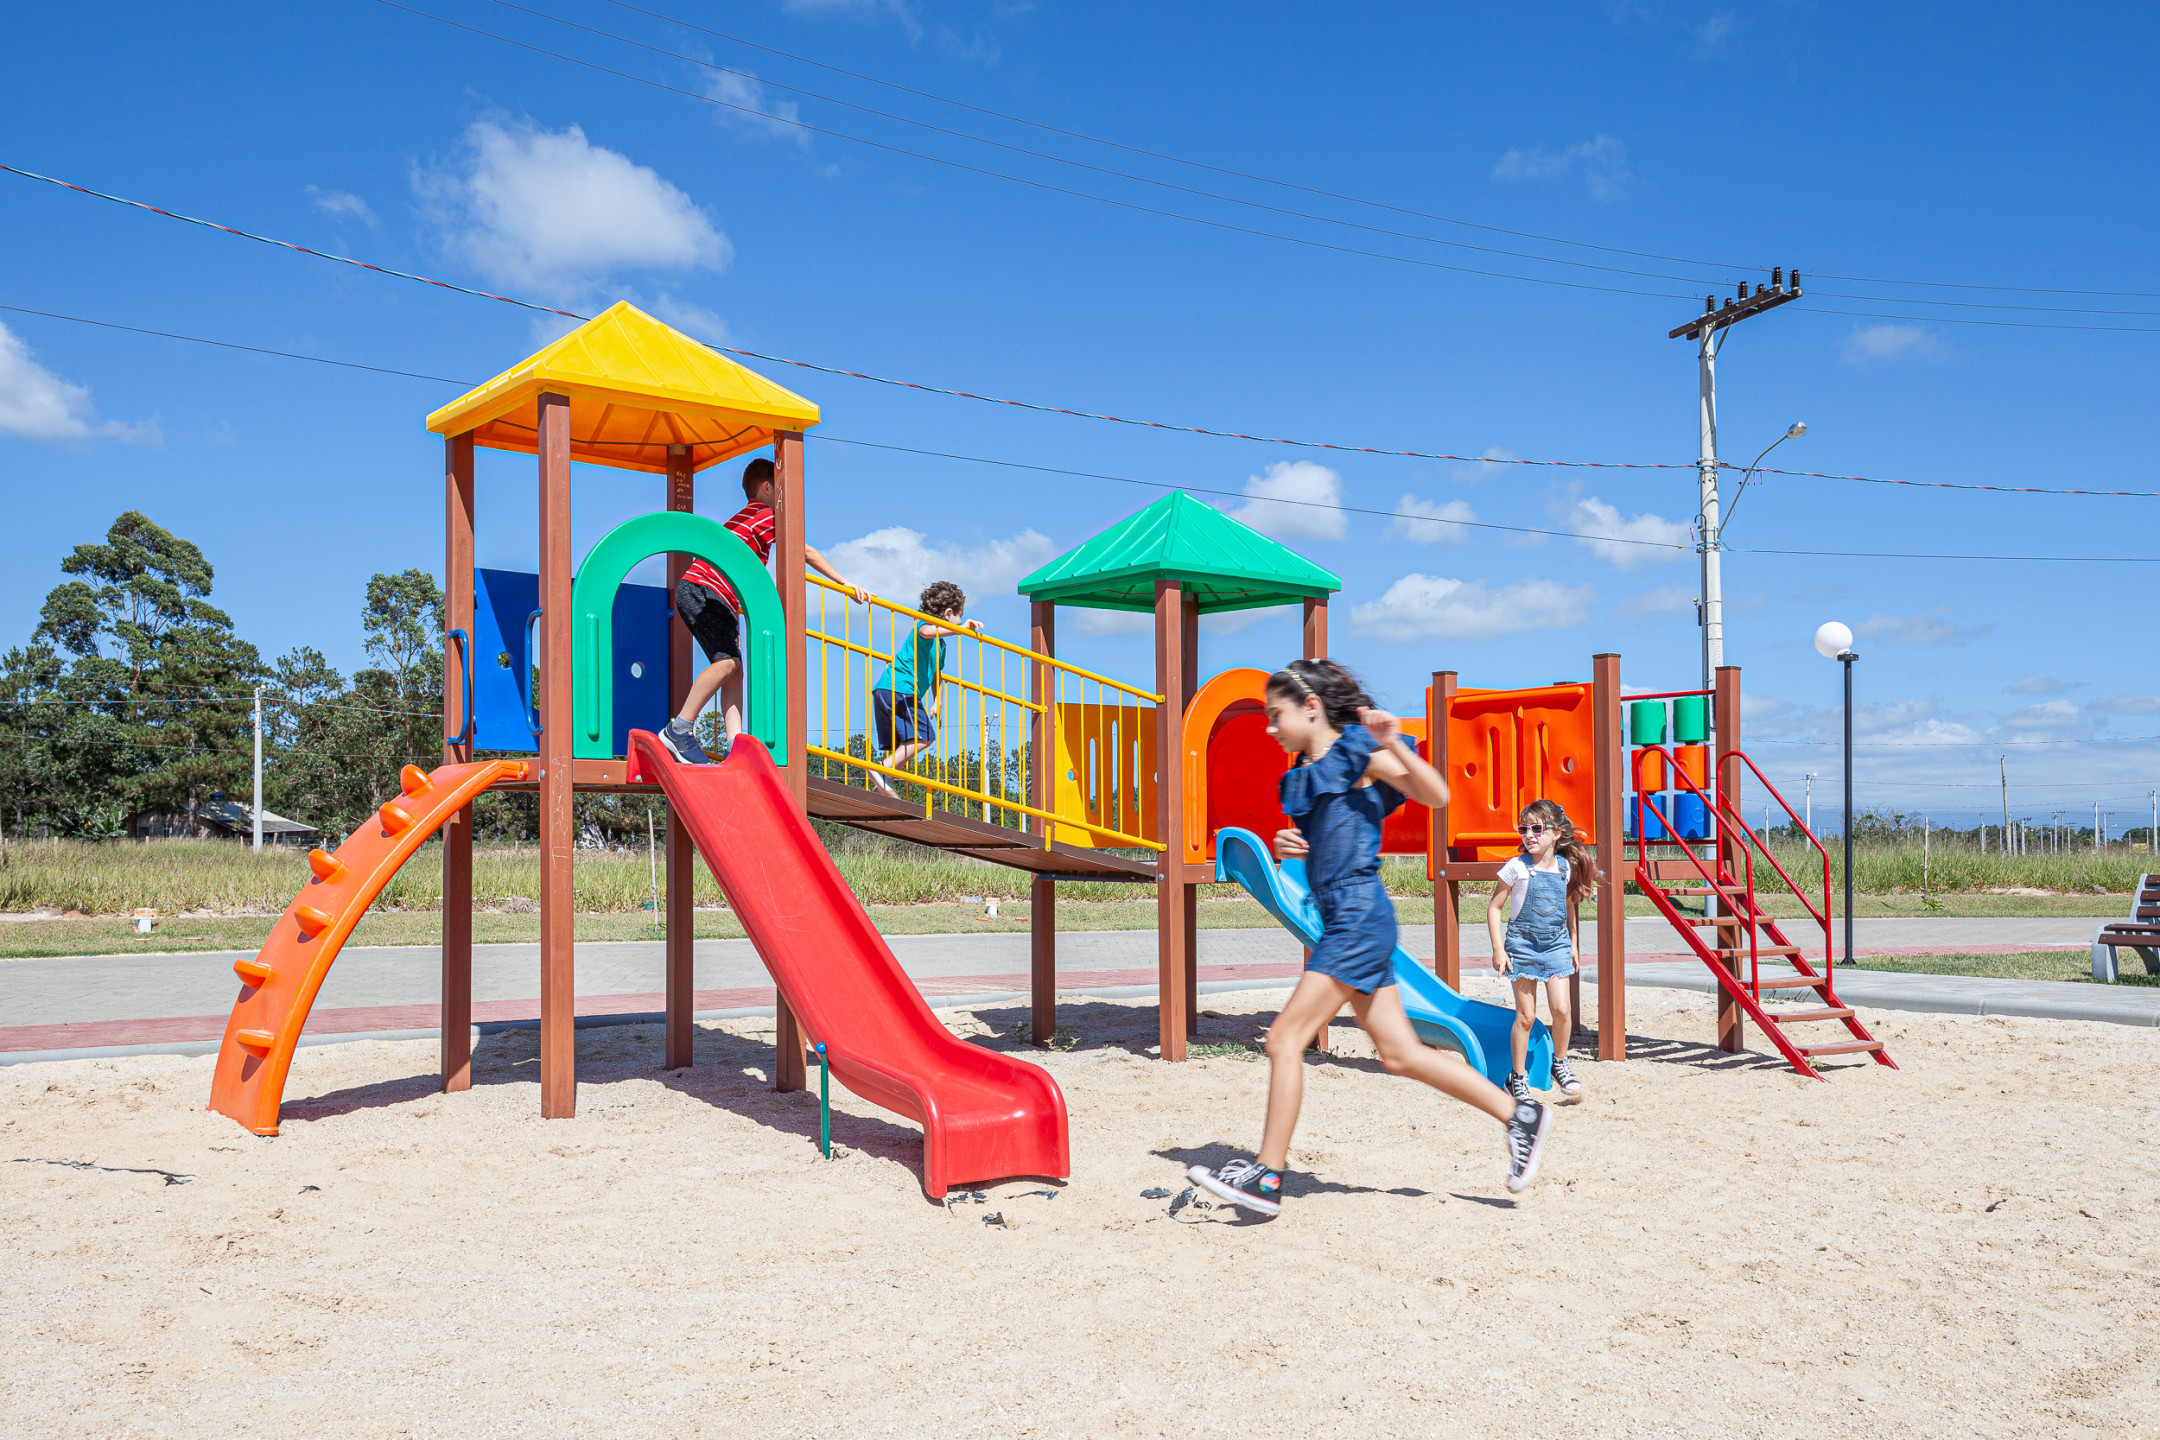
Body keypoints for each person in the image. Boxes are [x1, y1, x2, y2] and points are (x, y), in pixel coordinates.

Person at [1188, 659, 1552, 1218]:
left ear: (1311, 708)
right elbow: (1330, 837)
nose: (1269, 726)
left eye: (1275, 714)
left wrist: (1396, 746)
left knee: (1284, 1040)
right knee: (1401, 1053)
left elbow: (1436, 795)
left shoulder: (1358, 756)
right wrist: (1291, 844)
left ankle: (1266, 1178)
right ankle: (1519, 1115)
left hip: (1359, 918)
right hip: (1345, 918)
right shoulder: (1304, 776)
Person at [659, 457, 868, 765]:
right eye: (781, 490)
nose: (785, 500)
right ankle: (680, 729)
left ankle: (735, 745)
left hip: (712, 594)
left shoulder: (747, 517)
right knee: (727, 663)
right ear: (767, 487)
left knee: (734, 668)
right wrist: (845, 582)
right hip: (706, 590)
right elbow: (803, 550)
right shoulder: (765, 513)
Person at [1488, 798, 1591, 1104]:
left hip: (1557, 944)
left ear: (1556, 833)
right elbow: (1495, 908)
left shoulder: (1564, 868)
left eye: (1537, 828)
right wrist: (1498, 949)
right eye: (1524, 829)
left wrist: (1573, 944)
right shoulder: (1516, 868)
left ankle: (1561, 1063)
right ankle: (1517, 1078)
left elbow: (1569, 907)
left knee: (1561, 1009)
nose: (1529, 835)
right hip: (1522, 946)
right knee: (1526, 1016)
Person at [867, 580, 981, 797]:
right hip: (899, 689)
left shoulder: (941, 646)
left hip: (891, 690)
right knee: (924, 736)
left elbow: (936, 673)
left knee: (906, 745)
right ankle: (880, 769)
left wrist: (937, 701)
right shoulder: (923, 624)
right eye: (960, 615)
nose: (962, 620)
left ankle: (880, 787)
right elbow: (927, 632)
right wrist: (960, 628)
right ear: (948, 614)